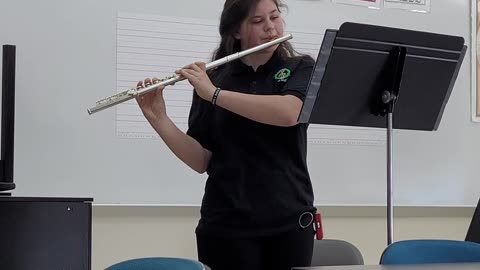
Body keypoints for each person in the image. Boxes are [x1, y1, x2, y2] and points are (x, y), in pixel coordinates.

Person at [136, 0, 316, 269]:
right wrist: (159, 119)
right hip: (225, 224)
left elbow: (289, 113)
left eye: (275, 17)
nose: (271, 28)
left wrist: (214, 95)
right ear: (236, 32)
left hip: (288, 222)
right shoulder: (215, 78)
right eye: (257, 21)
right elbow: (201, 160)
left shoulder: (300, 67)